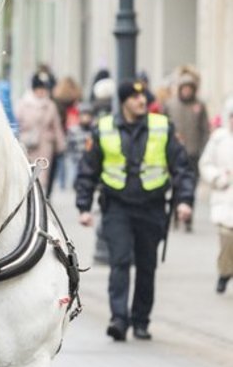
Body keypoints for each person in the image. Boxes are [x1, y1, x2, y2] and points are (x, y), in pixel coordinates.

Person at [75, 78, 195, 341]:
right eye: (135, 97)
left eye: (144, 97)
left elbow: (182, 168)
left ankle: (141, 320)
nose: (142, 101)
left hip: (152, 207)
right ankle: (119, 319)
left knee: (146, 265)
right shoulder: (104, 128)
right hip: (117, 206)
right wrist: (83, 206)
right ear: (124, 101)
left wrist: (185, 201)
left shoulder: (162, 127)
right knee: (119, 261)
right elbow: (88, 170)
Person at [164, 66, 211, 230]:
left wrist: (204, 147)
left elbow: (205, 128)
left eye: (189, 89)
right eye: (184, 88)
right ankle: (176, 213)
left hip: (192, 151)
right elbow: (164, 126)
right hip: (174, 151)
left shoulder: (199, 105)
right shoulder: (170, 105)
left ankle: (188, 215)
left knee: (190, 184)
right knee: (174, 184)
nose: (187, 92)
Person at [198, 96, 233, 294]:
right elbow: (206, 164)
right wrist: (217, 177)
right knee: (227, 237)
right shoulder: (219, 139)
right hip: (225, 195)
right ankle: (225, 272)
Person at [15, 71, 66, 195]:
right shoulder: (23, 104)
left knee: (43, 176)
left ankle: (41, 199)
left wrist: (61, 145)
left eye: (43, 89)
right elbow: (16, 123)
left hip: (45, 145)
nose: (41, 92)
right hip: (27, 144)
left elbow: (56, 125)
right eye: (39, 89)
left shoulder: (50, 105)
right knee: (27, 173)